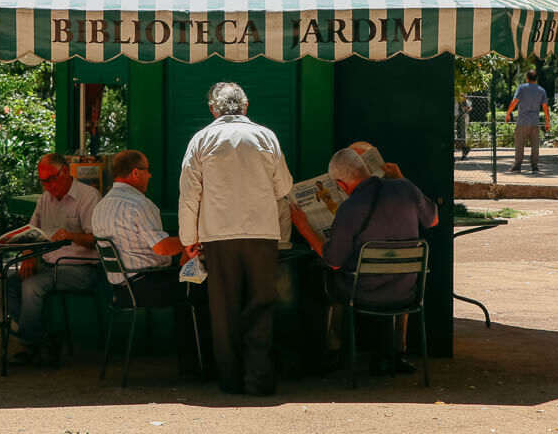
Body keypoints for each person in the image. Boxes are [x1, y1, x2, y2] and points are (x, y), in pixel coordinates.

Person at [178, 82, 294, 395]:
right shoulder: (266, 136)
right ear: (245, 107)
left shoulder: (201, 139)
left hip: (218, 236)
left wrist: (188, 239)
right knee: (260, 303)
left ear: (214, 110)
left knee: (224, 307)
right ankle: (258, 377)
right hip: (261, 233)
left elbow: (190, 195)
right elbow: (283, 187)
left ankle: (229, 379)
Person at [290, 147, 438, 375]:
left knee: (329, 275)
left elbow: (335, 261)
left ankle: (336, 353)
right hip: (408, 291)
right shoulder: (406, 188)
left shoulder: (350, 208)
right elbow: (434, 219)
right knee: (395, 275)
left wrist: (305, 229)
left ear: (340, 185)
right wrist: (401, 178)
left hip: (363, 293)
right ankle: (396, 353)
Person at [92, 149, 207, 369]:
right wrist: (192, 240)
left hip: (120, 288)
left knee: (188, 283)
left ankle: (191, 362)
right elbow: (162, 248)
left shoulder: (101, 206)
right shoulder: (139, 204)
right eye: (147, 170)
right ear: (135, 173)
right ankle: (201, 363)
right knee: (206, 288)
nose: (150, 175)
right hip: (148, 284)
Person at [7, 152, 100, 365]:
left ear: (65, 172)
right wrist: (29, 254)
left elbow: (97, 239)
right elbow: (31, 232)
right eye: (43, 181)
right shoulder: (45, 199)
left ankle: (29, 347)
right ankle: (42, 338)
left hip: (81, 269)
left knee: (32, 285)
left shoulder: (88, 196)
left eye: (52, 179)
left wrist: (72, 236)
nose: (49, 186)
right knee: (8, 284)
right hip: (48, 265)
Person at [505, 69, 550, 173]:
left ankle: (517, 166)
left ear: (527, 78)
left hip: (522, 122)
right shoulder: (541, 90)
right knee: (535, 145)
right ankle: (534, 166)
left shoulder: (521, 88)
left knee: (519, 145)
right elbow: (545, 108)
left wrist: (508, 114)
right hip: (534, 122)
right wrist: (547, 122)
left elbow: (514, 102)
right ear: (536, 79)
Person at [455, 94, 472, 159]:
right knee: (460, 135)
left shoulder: (465, 99)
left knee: (462, 135)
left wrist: (465, 108)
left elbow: (469, 108)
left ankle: (464, 152)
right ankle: (464, 150)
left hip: (462, 117)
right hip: (458, 116)